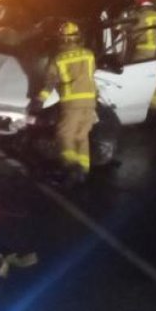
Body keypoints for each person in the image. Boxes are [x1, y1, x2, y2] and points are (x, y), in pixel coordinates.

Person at [33, 20, 98, 187]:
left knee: (65, 135)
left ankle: (70, 168)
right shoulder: (89, 54)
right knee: (81, 136)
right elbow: (91, 74)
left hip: (72, 103)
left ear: (61, 39)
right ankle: (83, 170)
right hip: (90, 102)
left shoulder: (59, 59)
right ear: (78, 37)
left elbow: (50, 82)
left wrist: (40, 99)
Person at [129, 0, 156, 112]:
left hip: (145, 51)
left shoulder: (140, 16)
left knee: (139, 77)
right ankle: (153, 105)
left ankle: (138, 105)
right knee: (155, 77)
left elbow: (132, 34)